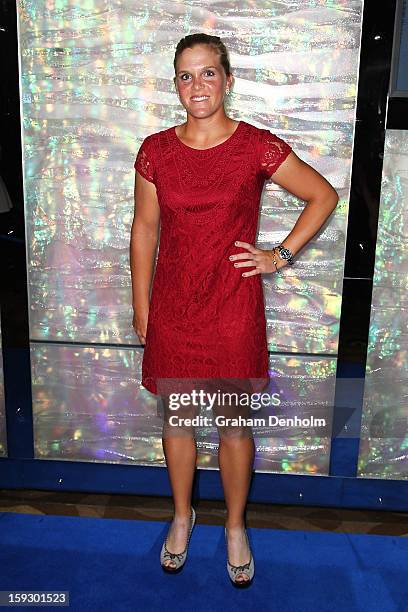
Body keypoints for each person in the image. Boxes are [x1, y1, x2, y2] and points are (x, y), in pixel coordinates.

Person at [130, 33, 338, 587]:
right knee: (178, 421)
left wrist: (280, 256)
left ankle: (235, 526)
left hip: (232, 307)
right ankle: (181, 516)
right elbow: (145, 228)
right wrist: (140, 303)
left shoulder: (255, 146)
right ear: (175, 84)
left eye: (207, 73)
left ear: (227, 79)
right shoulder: (155, 150)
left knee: (233, 425)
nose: (196, 85)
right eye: (185, 75)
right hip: (173, 307)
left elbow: (323, 195)